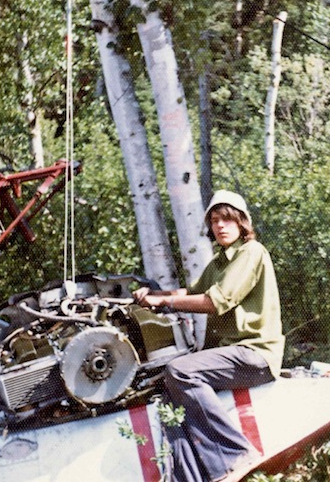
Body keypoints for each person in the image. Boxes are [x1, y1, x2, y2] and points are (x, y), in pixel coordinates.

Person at [133, 190, 284, 482]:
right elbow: (190, 294)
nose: (220, 226)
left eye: (227, 219)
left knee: (180, 371)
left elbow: (215, 301)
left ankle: (234, 456)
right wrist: (153, 295)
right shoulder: (218, 262)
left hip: (255, 352)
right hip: (232, 354)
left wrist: (163, 303)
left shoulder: (250, 253)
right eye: (215, 220)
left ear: (242, 223)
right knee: (166, 388)